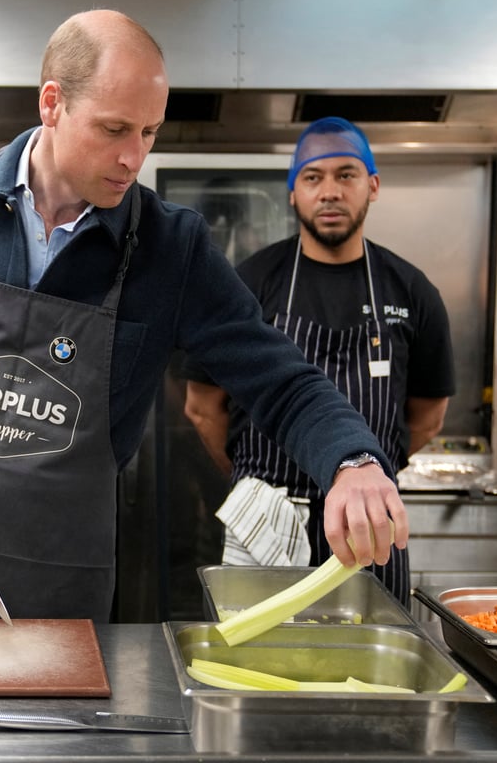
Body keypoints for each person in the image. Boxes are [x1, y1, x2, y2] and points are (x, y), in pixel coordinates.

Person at [0, 10, 408, 622]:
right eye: (114, 129)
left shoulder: (172, 248)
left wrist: (353, 462)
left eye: (149, 132)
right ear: (52, 103)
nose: (132, 158)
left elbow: (282, 382)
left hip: (57, 577)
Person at [183, 117, 455, 605]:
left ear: (373, 185)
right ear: (292, 193)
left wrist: (374, 471)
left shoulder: (412, 292)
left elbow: (428, 418)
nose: (330, 191)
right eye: (313, 177)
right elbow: (203, 407)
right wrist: (254, 476)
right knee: (253, 670)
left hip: (369, 528)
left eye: (346, 175)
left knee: (368, 671)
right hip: (264, 518)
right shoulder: (249, 281)